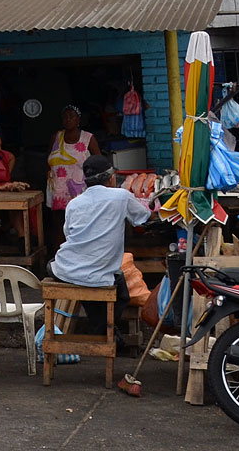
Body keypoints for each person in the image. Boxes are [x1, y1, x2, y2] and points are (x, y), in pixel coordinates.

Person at [47, 155, 150, 336]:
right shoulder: (121, 197)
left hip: (66, 268)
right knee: (119, 290)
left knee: (63, 270)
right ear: (111, 178)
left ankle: (102, 330)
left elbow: (69, 235)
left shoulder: (74, 203)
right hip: (98, 274)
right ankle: (104, 331)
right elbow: (144, 218)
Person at [46, 105, 101, 253]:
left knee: (81, 223)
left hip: (80, 190)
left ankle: (81, 253)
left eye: (72, 116)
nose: (68, 120)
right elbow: (48, 161)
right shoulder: (56, 137)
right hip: (58, 189)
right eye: (65, 117)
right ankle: (59, 254)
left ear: (78, 120)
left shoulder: (88, 138)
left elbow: (99, 162)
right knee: (59, 224)